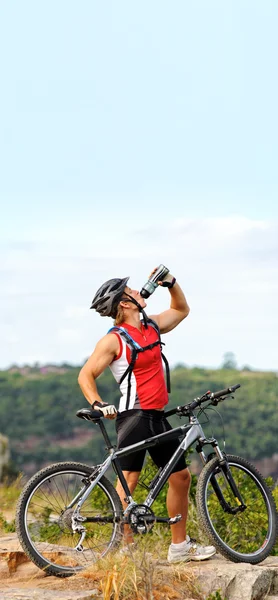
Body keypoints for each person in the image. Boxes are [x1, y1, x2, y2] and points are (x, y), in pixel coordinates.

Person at [78, 267, 216, 563]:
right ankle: (125, 548)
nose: (138, 290)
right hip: (134, 417)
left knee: (180, 478)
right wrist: (98, 404)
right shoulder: (115, 339)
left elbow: (181, 310)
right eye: (130, 291)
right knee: (128, 480)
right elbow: (86, 375)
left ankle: (179, 547)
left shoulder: (150, 326)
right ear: (124, 303)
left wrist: (172, 284)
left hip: (157, 416)